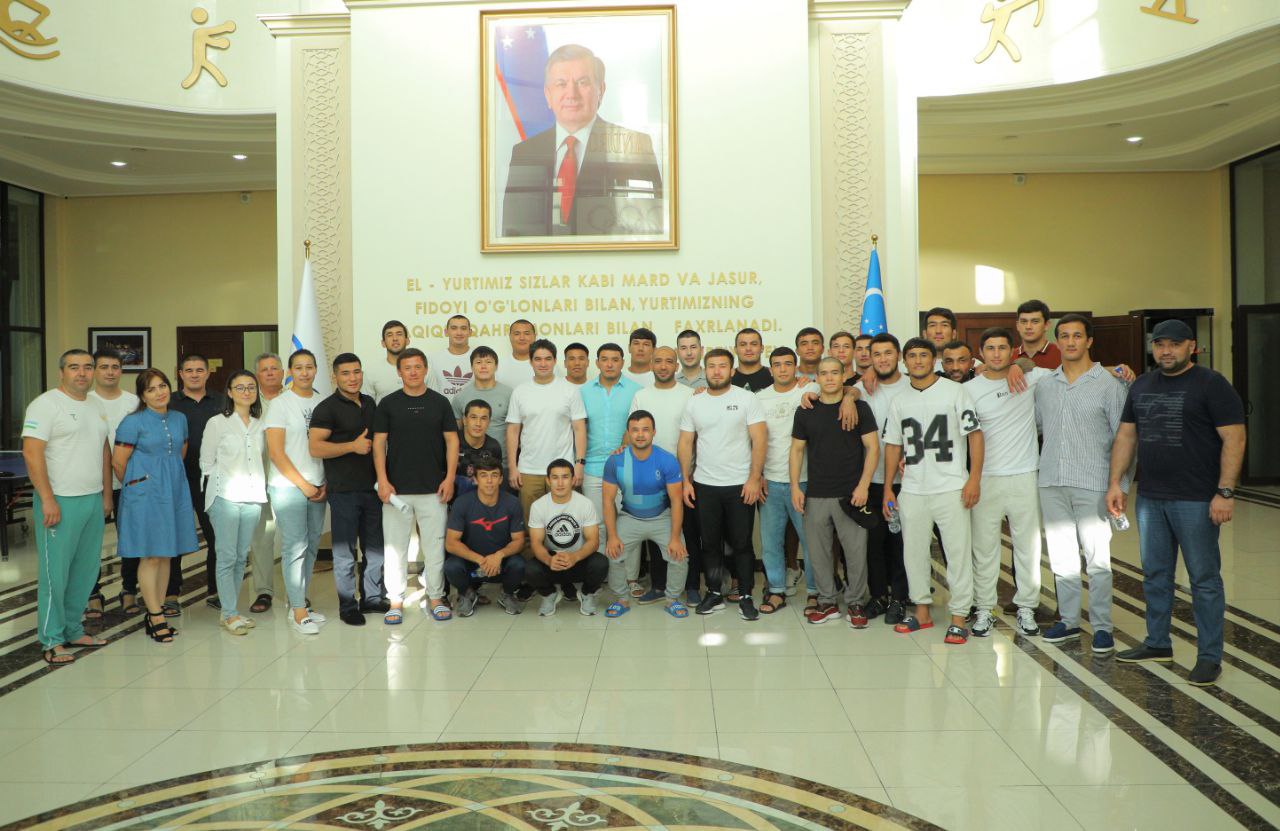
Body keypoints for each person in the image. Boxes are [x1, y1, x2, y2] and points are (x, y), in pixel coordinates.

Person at [1109, 319, 1246, 686]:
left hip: (1197, 499)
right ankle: (1157, 642)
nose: (1166, 351)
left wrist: (1225, 492)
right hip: (1151, 498)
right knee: (1155, 573)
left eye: (1174, 344)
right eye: (1160, 344)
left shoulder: (1211, 384)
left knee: (1203, 579)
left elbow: (1234, 438)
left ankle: (1209, 656)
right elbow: (1126, 436)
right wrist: (1116, 483)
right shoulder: (1142, 385)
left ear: (1191, 346)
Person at [1035, 313, 1128, 654]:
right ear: (1057, 341)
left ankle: (1102, 626)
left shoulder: (1110, 385)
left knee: (1097, 558)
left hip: (1093, 482)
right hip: (1052, 481)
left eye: (1077, 335)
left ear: (1089, 341)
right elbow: (1039, 428)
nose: (1071, 341)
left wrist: (1120, 485)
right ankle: (1069, 620)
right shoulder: (1045, 385)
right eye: (1064, 336)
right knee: (1061, 558)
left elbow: (1125, 438)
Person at [501, 43, 662, 237]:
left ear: (601, 90)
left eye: (582, 82)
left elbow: (650, 230)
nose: (572, 94)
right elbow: (513, 233)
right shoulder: (524, 152)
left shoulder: (634, 146)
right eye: (561, 84)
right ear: (548, 95)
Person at [881, 338, 983, 645]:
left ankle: (959, 617)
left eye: (923, 355)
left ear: (933, 359)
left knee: (957, 553)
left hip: (951, 486)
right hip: (913, 487)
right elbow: (893, 445)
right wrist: (888, 488)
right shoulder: (899, 399)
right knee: (913, 553)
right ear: (905, 361)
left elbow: (975, 435)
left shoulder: (955, 392)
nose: (918, 361)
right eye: (912, 356)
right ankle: (922, 612)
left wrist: (974, 478)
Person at [22, 349, 113, 664]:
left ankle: (74, 629)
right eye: (74, 367)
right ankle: (51, 640)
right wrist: (47, 498)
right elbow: (32, 453)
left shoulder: (96, 405)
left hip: (92, 499)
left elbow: (103, 451)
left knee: (85, 572)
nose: (82, 373)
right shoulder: (46, 405)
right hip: (59, 500)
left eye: (88, 367)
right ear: (62, 372)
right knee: (55, 575)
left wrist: (106, 495)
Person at [966, 328, 1044, 638]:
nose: (996, 353)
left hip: (1024, 475)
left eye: (1002, 348)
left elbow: (1074, 368)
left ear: (1013, 351)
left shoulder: (1031, 377)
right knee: (984, 548)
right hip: (985, 478)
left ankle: (1027, 607)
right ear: (981, 353)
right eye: (990, 348)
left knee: (1027, 546)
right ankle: (985, 608)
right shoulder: (969, 390)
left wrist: (1120, 369)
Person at [678, 348, 767, 619]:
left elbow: (760, 440)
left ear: (732, 370)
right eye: (712, 366)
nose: (717, 371)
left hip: (740, 485)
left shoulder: (747, 399)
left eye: (722, 366)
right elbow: (685, 442)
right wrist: (685, 480)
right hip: (704, 485)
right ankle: (714, 592)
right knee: (710, 544)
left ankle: (746, 596)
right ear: (705, 370)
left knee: (741, 544)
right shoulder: (695, 402)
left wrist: (754, 479)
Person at [373, 347, 459, 623]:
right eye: (407, 367)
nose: (412, 372)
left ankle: (436, 597)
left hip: (434, 489)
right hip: (395, 490)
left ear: (425, 370)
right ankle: (395, 600)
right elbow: (378, 443)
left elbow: (452, 441)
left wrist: (449, 478)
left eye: (417, 367)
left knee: (434, 547)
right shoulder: (388, 404)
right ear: (399, 372)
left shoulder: (440, 402)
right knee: (394, 548)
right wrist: (382, 480)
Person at [791, 357, 879, 627]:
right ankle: (827, 601)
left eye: (834, 373)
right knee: (818, 553)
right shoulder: (805, 410)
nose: (829, 378)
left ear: (843, 377)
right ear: (816, 378)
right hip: (816, 493)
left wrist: (863, 485)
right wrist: (794, 486)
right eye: (824, 373)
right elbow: (796, 450)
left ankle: (855, 602)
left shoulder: (860, 408)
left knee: (855, 553)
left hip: (851, 494)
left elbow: (873, 448)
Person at [115, 369, 198, 646]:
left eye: (162, 386)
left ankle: (157, 609)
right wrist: (140, 484)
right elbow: (118, 463)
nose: (159, 392)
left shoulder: (179, 418)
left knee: (166, 554)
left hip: (173, 489)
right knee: (151, 555)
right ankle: (154, 615)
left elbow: (179, 453)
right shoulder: (132, 422)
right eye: (151, 389)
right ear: (142, 395)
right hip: (145, 493)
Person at [309, 353, 387, 627]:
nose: (352, 378)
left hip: (372, 489)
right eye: (345, 373)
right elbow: (315, 447)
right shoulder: (326, 408)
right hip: (343, 491)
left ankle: (372, 598)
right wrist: (351, 446)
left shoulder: (370, 403)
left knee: (375, 548)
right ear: (335, 377)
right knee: (345, 552)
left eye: (356, 372)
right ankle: (347, 605)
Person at [602, 413, 689, 618]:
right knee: (613, 553)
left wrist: (675, 538)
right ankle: (622, 599)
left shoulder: (667, 460)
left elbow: (677, 501)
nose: (640, 435)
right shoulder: (615, 461)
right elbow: (607, 501)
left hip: (661, 517)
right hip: (630, 517)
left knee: (680, 555)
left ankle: (672, 600)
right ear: (628, 433)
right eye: (635, 430)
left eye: (645, 429)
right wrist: (612, 536)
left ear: (654, 432)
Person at [200, 371, 267, 636]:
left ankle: (231, 611)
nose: (246, 392)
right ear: (229, 392)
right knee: (227, 556)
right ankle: (229, 613)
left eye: (251, 387)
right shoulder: (217, 423)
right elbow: (206, 462)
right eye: (240, 387)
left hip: (252, 497)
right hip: (224, 497)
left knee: (240, 556)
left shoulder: (261, 424)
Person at [266, 349, 327, 635]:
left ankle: (298, 602)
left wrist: (323, 483)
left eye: (309, 367)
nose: (304, 372)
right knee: (295, 546)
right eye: (299, 367)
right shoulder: (280, 404)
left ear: (316, 370)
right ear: (290, 371)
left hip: (318, 484)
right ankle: (299, 610)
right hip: (288, 486)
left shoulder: (322, 402)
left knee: (312, 544)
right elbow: (276, 453)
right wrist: (304, 485)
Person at [629, 346, 696, 602]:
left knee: (688, 533)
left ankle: (691, 586)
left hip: (684, 476)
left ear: (676, 366)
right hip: (651, 478)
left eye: (669, 361)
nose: (664, 366)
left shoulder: (690, 394)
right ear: (651, 365)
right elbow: (633, 432)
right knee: (656, 535)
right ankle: (658, 587)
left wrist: (689, 474)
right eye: (658, 361)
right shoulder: (641, 395)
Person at [507, 339, 587, 542]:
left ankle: (564, 562)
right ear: (530, 361)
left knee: (565, 526)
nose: (543, 363)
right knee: (530, 528)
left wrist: (579, 464)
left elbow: (579, 429)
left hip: (563, 469)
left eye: (548, 359)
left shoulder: (569, 390)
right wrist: (513, 467)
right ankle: (534, 563)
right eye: (538, 359)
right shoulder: (520, 391)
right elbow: (513, 431)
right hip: (528, 470)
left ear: (555, 361)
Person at [755, 347, 814, 614]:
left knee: (811, 542)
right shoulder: (759, 398)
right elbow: (754, 440)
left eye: (788, 364)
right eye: (777, 364)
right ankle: (776, 590)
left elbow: (844, 390)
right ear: (770, 370)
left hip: (804, 481)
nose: (782, 369)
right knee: (771, 543)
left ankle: (815, 592)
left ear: (796, 367)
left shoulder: (810, 388)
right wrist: (757, 475)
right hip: (770, 481)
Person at [855, 334, 910, 624]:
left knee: (900, 543)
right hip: (870, 481)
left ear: (898, 355)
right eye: (876, 354)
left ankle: (900, 598)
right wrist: (851, 395)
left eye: (888, 353)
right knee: (873, 543)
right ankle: (878, 596)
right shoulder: (861, 388)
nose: (882, 359)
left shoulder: (912, 385)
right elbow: (844, 392)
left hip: (905, 481)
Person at [88, 348, 140, 618]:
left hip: (128, 484)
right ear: (94, 370)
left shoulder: (134, 402)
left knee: (130, 540)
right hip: (92, 485)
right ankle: (92, 593)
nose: (110, 372)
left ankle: (128, 589)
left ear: (121, 370)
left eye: (115, 367)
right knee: (90, 543)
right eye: (104, 367)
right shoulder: (85, 401)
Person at [443, 455, 527, 617]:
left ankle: (507, 594)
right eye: (483, 475)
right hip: (472, 563)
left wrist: (498, 556)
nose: (489, 481)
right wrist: (480, 560)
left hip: (500, 563)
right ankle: (467, 594)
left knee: (519, 564)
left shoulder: (512, 503)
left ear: (501, 479)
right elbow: (451, 543)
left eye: (494, 475)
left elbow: (519, 541)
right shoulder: (462, 503)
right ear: (475, 479)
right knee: (451, 566)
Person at [171, 354, 223, 610]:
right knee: (174, 537)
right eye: (189, 370)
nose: (194, 374)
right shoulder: (168, 401)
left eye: (199, 370)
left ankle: (217, 590)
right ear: (180, 374)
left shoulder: (222, 401)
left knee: (216, 536)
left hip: (211, 479)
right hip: (176, 478)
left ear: (207, 373)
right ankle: (170, 594)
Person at [580, 344, 642, 559]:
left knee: (628, 523)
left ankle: (627, 573)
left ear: (623, 362)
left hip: (626, 465)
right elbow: (578, 428)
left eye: (615, 359)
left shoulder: (636, 390)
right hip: (593, 467)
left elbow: (638, 426)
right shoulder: (583, 391)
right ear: (597, 363)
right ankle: (601, 570)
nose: (609, 364)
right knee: (597, 524)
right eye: (604, 359)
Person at [528, 459, 609, 615]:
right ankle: (549, 594)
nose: (560, 483)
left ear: (573, 480)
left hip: (578, 558)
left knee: (601, 563)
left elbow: (593, 541)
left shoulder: (585, 503)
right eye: (555, 477)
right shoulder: (538, 506)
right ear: (548, 480)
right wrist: (548, 560)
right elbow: (536, 543)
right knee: (531, 569)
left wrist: (575, 557)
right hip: (552, 560)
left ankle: (586, 593)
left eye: (565, 477)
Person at [247, 352, 284, 613]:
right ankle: (263, 591)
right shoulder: (247, 402)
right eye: (264, 369)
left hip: (290, 478)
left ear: (283, 372)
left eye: (274, 368)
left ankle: (298, 592)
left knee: (296, 539)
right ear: (257, 375)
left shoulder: (294, 399)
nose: (270, 373)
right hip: (258, 479)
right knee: (261, 537)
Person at [451, 346, 512, 459]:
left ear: (496, 366)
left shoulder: (510, 394)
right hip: (468, 464)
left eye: (488, 362)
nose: (483, 366)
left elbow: (515, 432)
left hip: (500, 463)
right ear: (472, 367)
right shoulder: (460, 397)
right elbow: (454, 435)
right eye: (478, 362)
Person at [456, 400, 503, 496]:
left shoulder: (494, 447)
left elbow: (494, 481)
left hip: (481, 498)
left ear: (489, 422)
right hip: (449, 498)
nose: (478, 423)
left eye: (483, 418)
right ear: (464, 420)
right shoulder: (452, 442)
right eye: (473, 417)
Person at [427, 314, 474, 399]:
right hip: (441, 408)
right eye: (454, 328)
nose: (459, 333)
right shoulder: (432, 359)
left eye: (463, 328)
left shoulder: (479, 359)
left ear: (470, 332)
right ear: (446, 332)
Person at [367, 320, 409, 403]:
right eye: (389, 335)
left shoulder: (423, 369)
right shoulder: (371, 372)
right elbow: (367, 407)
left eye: (399, 334)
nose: (395, 339)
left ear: (407, 341)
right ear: (383, 343)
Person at [1014, 299, 1062, 369]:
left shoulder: (1061, 354)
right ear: (1018, 326)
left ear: (1046, 325)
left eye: (1035, 321)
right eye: (1024, 321)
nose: (1028, 327)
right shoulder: (1008, 356)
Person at [495, 319, 539, 387]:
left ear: (534, 336)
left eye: (527, 333)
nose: (522, 338)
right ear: (510, 337)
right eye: (517, 334)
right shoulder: (497, 366)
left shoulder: (546, 365)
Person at [731, 328, 772, 392]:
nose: (748, 348)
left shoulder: (774, 376)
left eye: (754, 344)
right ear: (735, 349)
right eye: (743, 344)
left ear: (762, 348)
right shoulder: (727, 379)